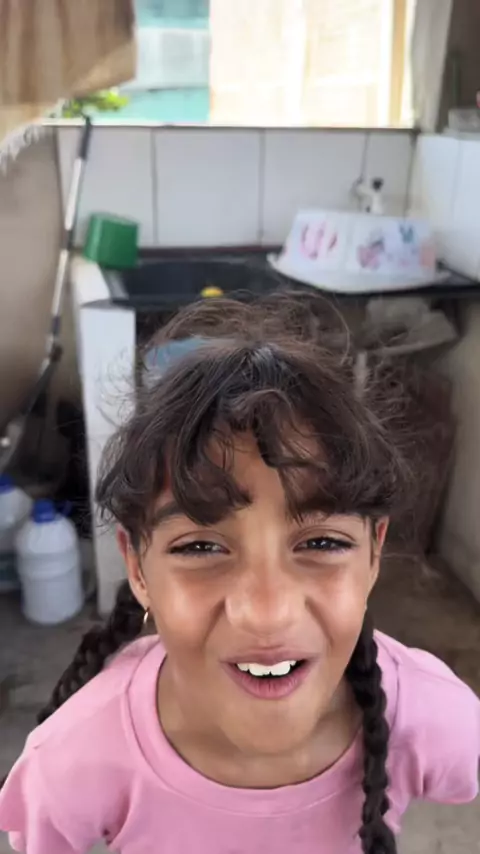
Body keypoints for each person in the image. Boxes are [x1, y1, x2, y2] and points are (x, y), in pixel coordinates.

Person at [0, 292, 478, 854]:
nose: (267, 612)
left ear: (373, 554)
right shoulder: (72, 761)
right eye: (201, 547)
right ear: (138, 568)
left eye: (322, 542)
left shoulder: (434, 719)